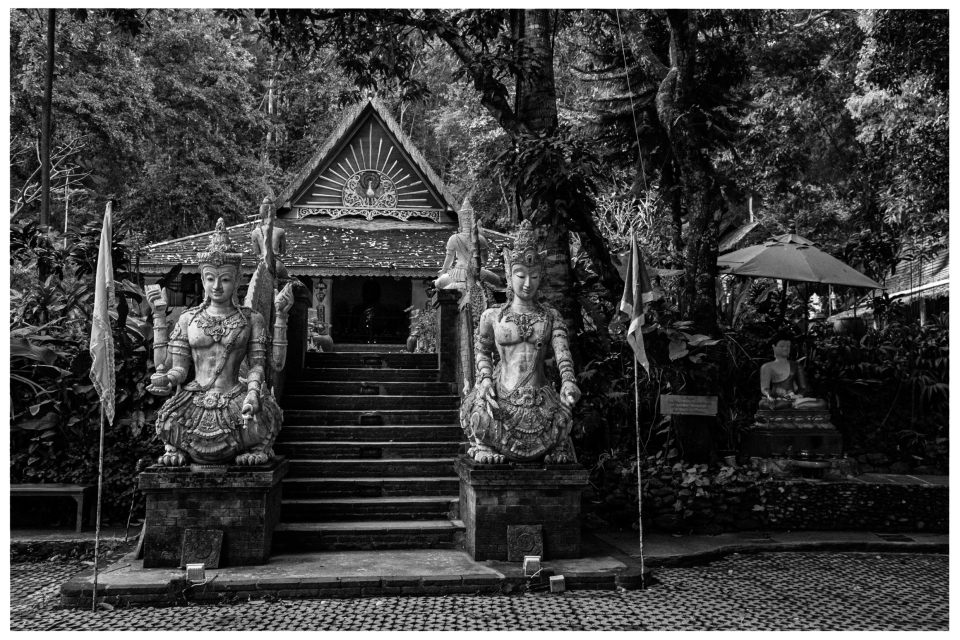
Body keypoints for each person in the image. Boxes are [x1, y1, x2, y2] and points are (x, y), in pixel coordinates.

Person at [147, 218, 294, 466]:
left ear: (237, 281)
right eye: (210, 279)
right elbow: (176, 368)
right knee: (169, 422)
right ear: (202, 280)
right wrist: (159, 318)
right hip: (195, 396)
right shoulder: (188, 319)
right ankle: (178, 450)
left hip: (235, 394)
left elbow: (262, 365)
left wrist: (253, 393)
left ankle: (256, 446)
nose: (216, 286)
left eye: (225, 279)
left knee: (259, 420)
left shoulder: (251, 319)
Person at [460, 220, 580, 464]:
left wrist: (568, 382)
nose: (527, 284)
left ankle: (553, 448)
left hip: (541, 400)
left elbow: (563, 355)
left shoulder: (550, 317)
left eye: (534, 276)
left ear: (541, 276)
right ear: (508, 273)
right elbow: (482, 351)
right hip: (502, 398)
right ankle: (485, 445)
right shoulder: (493, 317)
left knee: (562, 420)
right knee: (480, 416)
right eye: (521, 275)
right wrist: (485, 379)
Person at [434, 199, 502, 290]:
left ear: (460, 221)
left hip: (456, 274)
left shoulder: (454, 238)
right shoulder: (480, 238)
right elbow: (484, 261)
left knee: (438, 283)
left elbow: (449, 260)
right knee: (497, 280)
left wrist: (443, 271)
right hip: (477, 273)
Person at [759, 333, 828, 410]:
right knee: (764, 403)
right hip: (777, 400)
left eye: (788, 346)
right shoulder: (767, 366)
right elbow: (764, 388)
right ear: (774, 347)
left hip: (794, 399)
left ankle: (793, 406)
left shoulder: (796, 366)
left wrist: (799, 396)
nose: (785, 348)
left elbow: (803, 387)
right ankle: (795, 407)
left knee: (822, 403)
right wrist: (769, 395)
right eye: (782, 346)